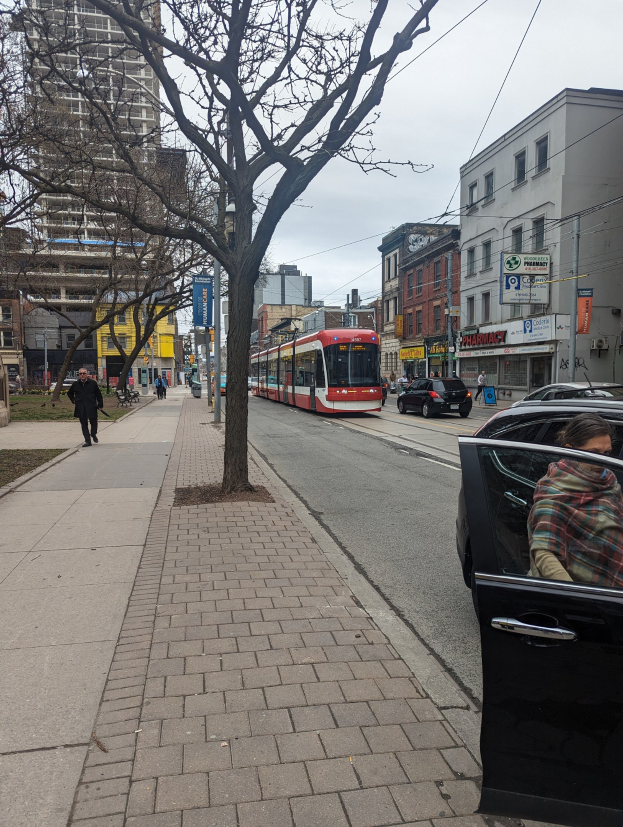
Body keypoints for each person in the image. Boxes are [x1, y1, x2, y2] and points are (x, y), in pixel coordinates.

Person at [528, 413, 623, 587]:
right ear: (570, 449)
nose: (601, 461)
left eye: (606, 453)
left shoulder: (609, 481)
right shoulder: (553, 491)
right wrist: (577, 595)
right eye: (593, 453)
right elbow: (544, 554)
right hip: (592, 594)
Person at [68, 368, 103, 447]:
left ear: (87, 374)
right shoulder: (76, 384)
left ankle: (93, 434)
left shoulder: (93, 383)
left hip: (92, 406)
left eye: (84, 373)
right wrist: (74, 400)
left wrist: (100, 405)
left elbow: (99, 395)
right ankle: (87, 440)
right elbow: (70, 393)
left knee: (94, 423)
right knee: (84, 424)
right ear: (79, 375)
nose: (82, 375)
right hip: (81, 407)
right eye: (81, 374)